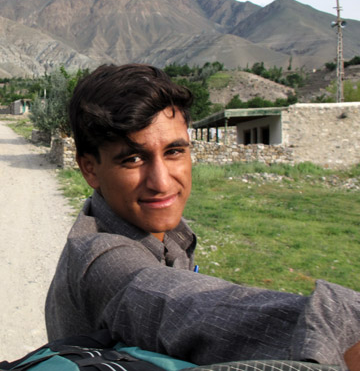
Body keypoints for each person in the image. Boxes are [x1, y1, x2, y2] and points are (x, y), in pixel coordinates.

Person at [44, 64, 360, 370]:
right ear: (90, 169)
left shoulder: (166, 234)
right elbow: (178, 304)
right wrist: (339, 327)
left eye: (174, 152)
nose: (161, 182)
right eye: (133, 159)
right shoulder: (100, 261)